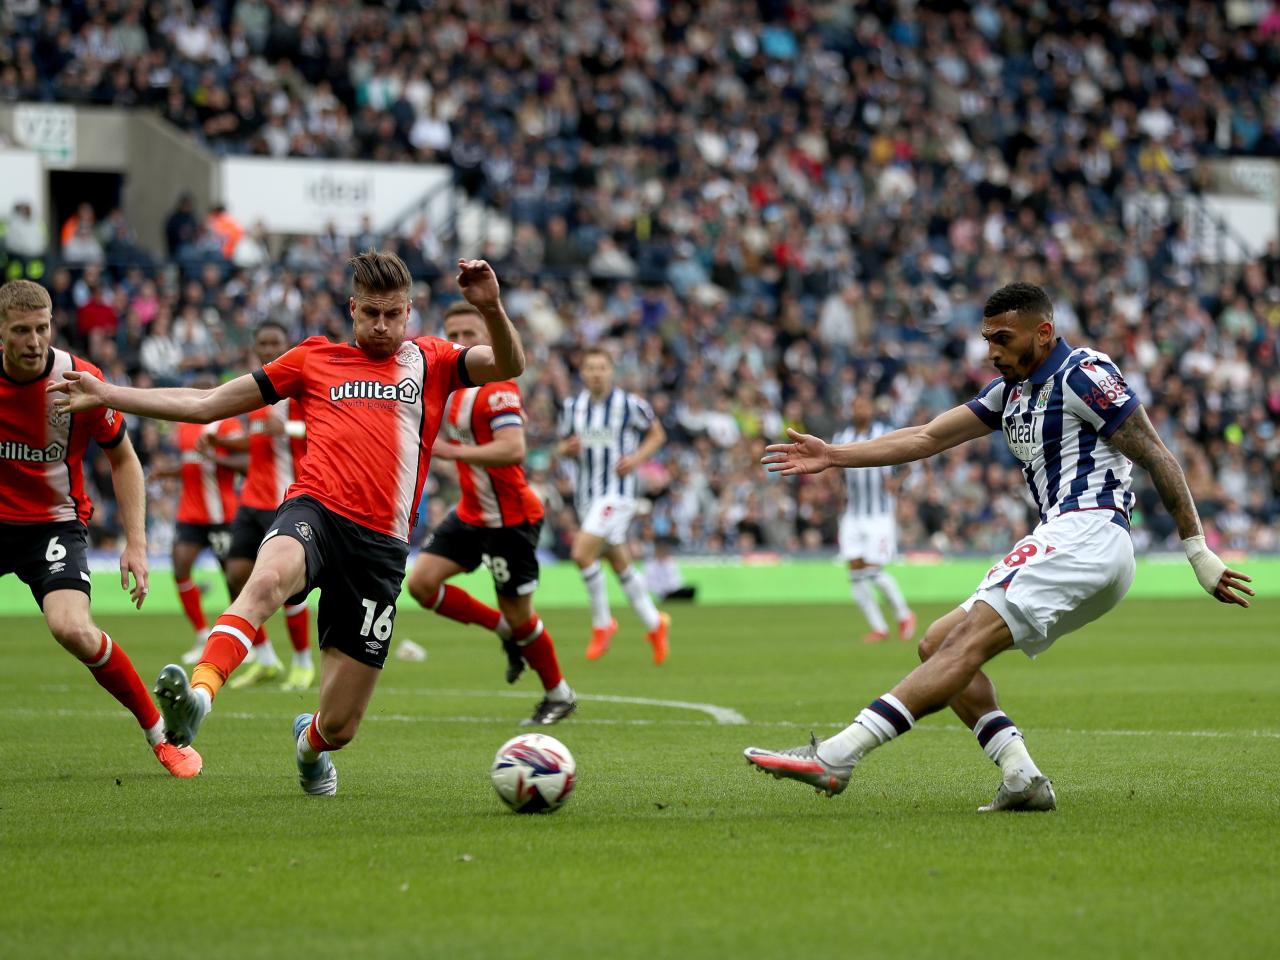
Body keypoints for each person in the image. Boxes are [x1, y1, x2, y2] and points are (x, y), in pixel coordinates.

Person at [746, 282, 1252, 811]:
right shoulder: (1009, 392)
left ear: (1043, 332)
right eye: (987, 339)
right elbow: (926, 437)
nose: (992, 352)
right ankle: (1022, 776)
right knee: (939, 644)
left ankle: (836, 755)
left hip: (1088, 531)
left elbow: (1156, 453)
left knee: (965, 643)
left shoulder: (1082, 374)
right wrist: (835, 455)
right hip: (1065, 537)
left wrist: (1198, 551)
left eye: (1004, 339)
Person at [50, 252, 526, 797]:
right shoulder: (313, 359)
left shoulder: (435, 360)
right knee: (266, 580)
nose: (381, 325)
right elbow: (206, 403)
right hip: (316, 511)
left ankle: (311, 746)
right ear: (351, 308)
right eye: (370, 312)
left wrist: (491, 307)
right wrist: (109, 394)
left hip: (381, 547)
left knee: (341, 725)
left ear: (409, 311)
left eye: (393, 314)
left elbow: (509, 364)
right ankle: (198, 700)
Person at [0, 279, 201, 777]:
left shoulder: (79, 379)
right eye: (21, 330)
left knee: (71, 628)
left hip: (53, 525)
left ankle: (160, 735)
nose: (33, 341)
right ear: (1, 330)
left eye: (42, 328)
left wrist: (136, 542)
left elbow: (125, 460)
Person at [406, 302, 576, 725]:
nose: (461, 344)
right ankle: (504, 632)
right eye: (454, 336)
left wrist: (453, 450)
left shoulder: (498, 385)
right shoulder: (448, 383)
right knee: (422, 584)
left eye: (470, 335)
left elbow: (514, 448)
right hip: (471, 514)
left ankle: (559, 693)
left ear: (487, 338)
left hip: (511, 521)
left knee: (524, 616)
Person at [208, 322, 314, 692]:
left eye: (276, 343)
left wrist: (287, 431)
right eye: (263, 343)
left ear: (288, 346)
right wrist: (220, 445)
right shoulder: (254, 392)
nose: (269, 348)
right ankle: (266, 658)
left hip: (286, 501)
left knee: (286, 587)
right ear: (255, 349)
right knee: (237, 575)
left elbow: (322, 431)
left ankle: (303, 661)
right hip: (251, 499)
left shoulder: (302, 389)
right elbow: (255, 448)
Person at [557, 347, 671, 663]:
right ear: (583, 373)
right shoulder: (572, 407)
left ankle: (603, 623)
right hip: (586, 497)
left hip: (617, 495)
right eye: (590, 367)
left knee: (581, 553)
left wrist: (635, 460)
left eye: (601, 367)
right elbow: (562, 447)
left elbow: (658, 434)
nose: (596, 373)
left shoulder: (629, 404)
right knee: (619, 561)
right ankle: (654, 623)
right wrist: (566, 449)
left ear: (611, 371)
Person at [150, 393, 245, 665]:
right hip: (190, 514)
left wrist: (213, 456)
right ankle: (203, 635)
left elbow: (246, 462)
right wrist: (168, 472)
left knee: (234, 581)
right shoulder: (184, 424)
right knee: (180, 568)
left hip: (222, 515)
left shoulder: (226, 425)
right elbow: (192, 464)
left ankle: (247, 641)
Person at [832, 394, 915, 643]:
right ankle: (879, 627)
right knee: (855, 573)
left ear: (871, 409)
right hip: (853, 514)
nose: (861, 410)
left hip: (879, 514)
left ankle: (904, 614)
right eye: (857, 406)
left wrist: (897, 482)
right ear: (852, 410)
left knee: (873, 570)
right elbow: (835, 469)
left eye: (865, 405)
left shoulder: (885, 432)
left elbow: (909, 461)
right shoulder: (842, 438)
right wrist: (838, 490)